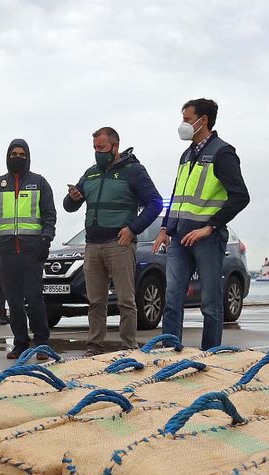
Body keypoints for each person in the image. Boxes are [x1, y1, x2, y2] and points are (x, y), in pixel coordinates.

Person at [154, 98, 250, 350]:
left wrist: (210, 226)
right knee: (172, 298)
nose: (182, 124)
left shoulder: (222, 152)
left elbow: (240, 196)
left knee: (210, 301)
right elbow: (176, 195)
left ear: (203, 120)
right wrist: (164, 228)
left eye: (186, 119)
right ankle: (169, 351)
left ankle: (211, 355)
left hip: (207, 240)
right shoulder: (186, 155)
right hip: (179, 238)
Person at [63, 126, 163, 355]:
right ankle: (94, 347)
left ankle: (129, 346)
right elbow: (69, 207)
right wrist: (73, 198)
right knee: (95, 301)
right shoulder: (90, 173)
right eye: (95, 148)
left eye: (102, 147)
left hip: (119, 244)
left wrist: (133, 229)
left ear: (115, 147)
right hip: (92, 245)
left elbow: (155, 203)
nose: (97, 152)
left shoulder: (133, 171)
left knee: (126, 300)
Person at [0, 139, 56, 359]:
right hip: (5, 251)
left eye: (22, 153)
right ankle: (21, 343)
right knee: (13, 300)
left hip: (32, 250)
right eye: (13, 153)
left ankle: (42, 343)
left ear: (28, 156)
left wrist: (46, 239)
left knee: (34, 298)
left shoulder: (40, 183)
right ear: (7, 156)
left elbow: (49, 215)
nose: (17, 157)